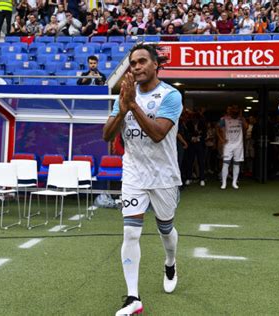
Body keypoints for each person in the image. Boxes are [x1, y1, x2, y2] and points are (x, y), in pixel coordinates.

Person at [102, 43, 182, 316]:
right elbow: (106, 136)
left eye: (141, 61)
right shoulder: (124, 96)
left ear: (156, 64)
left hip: (164, 176)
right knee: (130, 231)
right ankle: (133, 298)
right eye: (132, 63)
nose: (135, 67)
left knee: (165, 229)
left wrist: (132, 105)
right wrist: (123, 108)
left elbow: (158, 133)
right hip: (134, 173)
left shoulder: (170, 96)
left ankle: (170, 262)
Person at [219, 105, 248, 190]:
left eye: (237, 110)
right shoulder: (224, 119)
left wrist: (242, 117)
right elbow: (218, 128)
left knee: (236, 163)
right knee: (225, 163)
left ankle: (234, 182)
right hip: (228, 144)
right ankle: (223, 183)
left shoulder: (241, 119)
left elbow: (246, 127)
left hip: (238, 144)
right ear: (230, 111)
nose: (235, 111)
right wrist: (221, 138)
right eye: (233, 110)